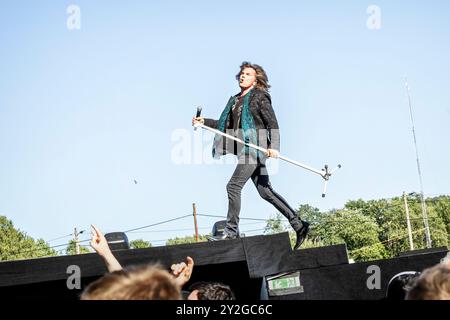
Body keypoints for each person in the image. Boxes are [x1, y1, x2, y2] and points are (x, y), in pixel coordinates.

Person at [192, 61, 309, 249]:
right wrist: (203, 121)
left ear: (256, 80)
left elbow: (273, 123)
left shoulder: (260, 97)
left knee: (233, 186)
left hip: (257, 147)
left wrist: (275, 146)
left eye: (247, 74)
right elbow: (226, 126)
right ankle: (299, 224)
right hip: (245, 149)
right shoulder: (235, 100)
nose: (242, 76)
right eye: (241, 74)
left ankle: (231, 232)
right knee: (265, 192)